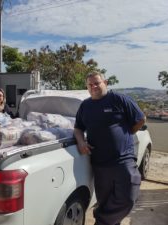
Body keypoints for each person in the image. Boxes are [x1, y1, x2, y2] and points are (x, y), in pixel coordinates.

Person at [73, 71, 145, 225]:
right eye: (90, 85)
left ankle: (101, 221)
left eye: (97, 83)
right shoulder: (85, 106)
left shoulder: (119, 99)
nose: (94, 87)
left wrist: (127, 133)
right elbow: (78, 128)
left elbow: (140, 119)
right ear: (87, 87)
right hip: (99, 164)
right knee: (104, 202)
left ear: (105, 83)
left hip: (123, 160)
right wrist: (81, 142)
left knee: (127, 198)